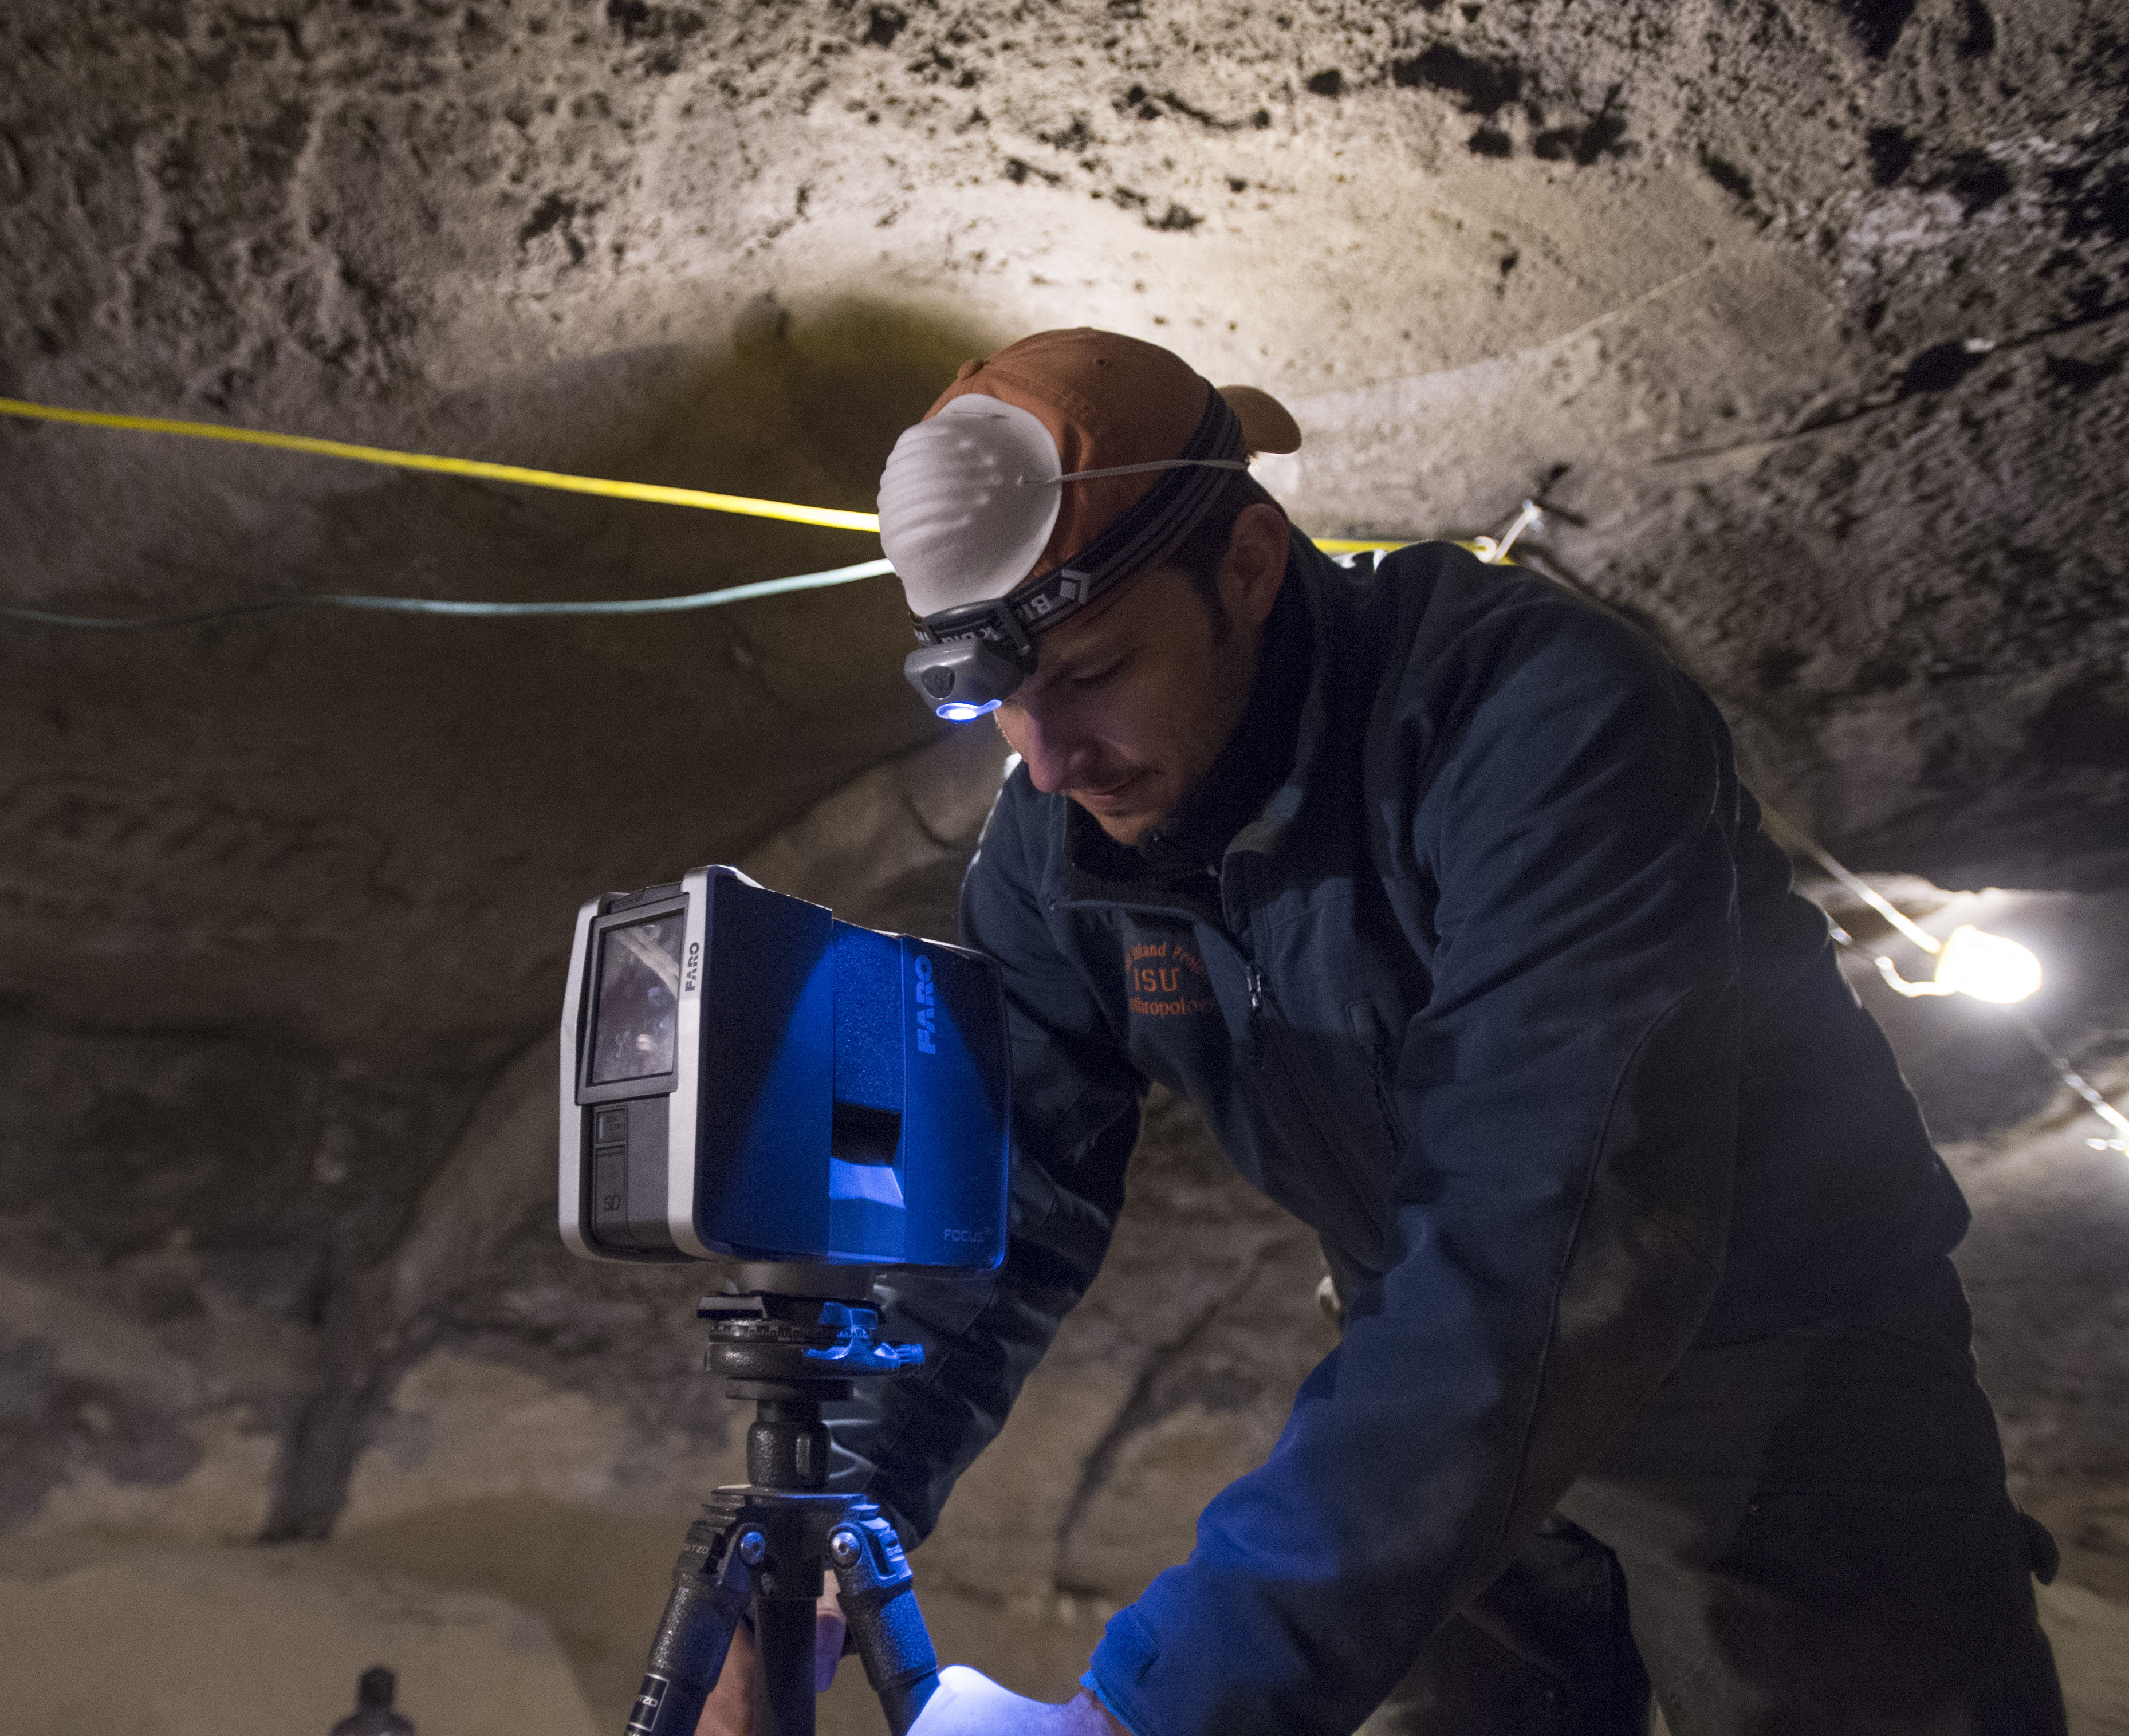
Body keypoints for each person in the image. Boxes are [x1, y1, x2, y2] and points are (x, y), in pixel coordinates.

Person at [697, 329, 2065, 1735]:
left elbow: (1551, 1238)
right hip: (1433, 1394)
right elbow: (989, 1213)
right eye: (1001, 706)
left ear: (1245, 565)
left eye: (1095, 671)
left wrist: (1147, 1711)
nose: (1049, 761)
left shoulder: (1539, 724)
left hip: (1776, 1377)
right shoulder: (1054, 848)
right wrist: (817, 1520)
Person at [329, 1665, 414, 1736]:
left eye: (382, 1687)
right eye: (374, 1686)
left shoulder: (403, 1730)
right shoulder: (345, 1730)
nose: (378, 1691)